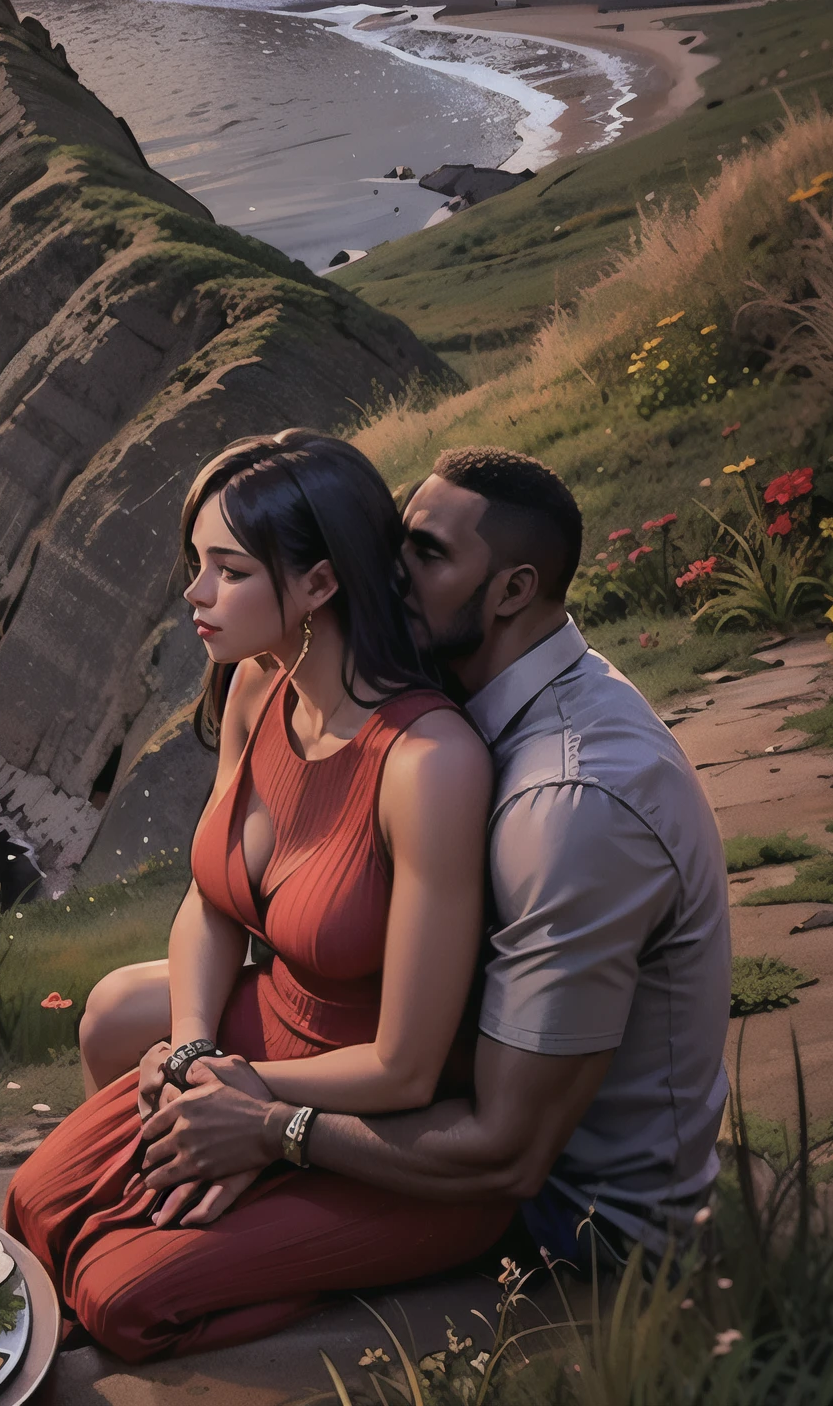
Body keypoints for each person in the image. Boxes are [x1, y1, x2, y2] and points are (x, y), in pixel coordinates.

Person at [133, 445, 732, 1274]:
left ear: (515, 590)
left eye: (429, 553)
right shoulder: (467, 686)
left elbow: (505, 1150)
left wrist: (269, 1126)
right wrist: (205, 1061)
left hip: (572, 1213)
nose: (386, 568)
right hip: (445, 1078)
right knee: (122, 1015)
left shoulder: (569, 804)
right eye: (397, 537)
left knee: (136, 1273)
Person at [4, 431, 513, 1362]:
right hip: (245, 1053)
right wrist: (195, 1049)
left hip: (375, 1128)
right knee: (32, 1208)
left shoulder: (431, 764)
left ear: (320, 584)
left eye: (226, 570)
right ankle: (219, 1240)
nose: (195, 594)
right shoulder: (253, 688)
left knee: (118, 1299)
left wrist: (249, 1111)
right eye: (196, 564)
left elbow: (406, 1067)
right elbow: (212, 902)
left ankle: (330, 1276)